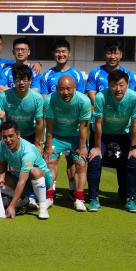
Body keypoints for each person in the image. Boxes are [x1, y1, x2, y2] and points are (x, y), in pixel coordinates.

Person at [86, 69, 136, 212]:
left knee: (134, 160)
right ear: (108, 85)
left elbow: (135, 124)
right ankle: (93, 198)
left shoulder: (135, 98)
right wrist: (97, 147)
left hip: (124, 135)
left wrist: (134, 147)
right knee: (94, 160)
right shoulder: (101, 97)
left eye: (121, 85)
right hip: (103, 135)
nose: (118, 89)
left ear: (127, 84)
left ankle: (130, 199)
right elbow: (98, 123)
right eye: (113, 85)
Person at [43, 74, 92, 212]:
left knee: (80, 163)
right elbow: (49, 126)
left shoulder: (84, 101)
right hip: (57, 136)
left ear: (75, 88)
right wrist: (48, 146)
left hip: (76, 137)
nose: (65, 92)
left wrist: (82, 147)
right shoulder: (49, 100)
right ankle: (49, 196)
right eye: (62, 89)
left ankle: (79, 199)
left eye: (69, 89)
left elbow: (84, 127)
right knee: (49, 161)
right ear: (57, 88)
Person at [0, 121, 53, 220]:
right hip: (22, 178)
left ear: (18, 135)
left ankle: (43, 207)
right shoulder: (2, 145)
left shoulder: (28, 151)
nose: (8, 140)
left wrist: (12, 206)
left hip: (42, 180)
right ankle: (24, 199)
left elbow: (22, 181)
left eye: (11, 136)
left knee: (34, 172)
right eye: (5, 137)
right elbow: (2, 163)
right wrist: (1, 177)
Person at [0, 64, 44, 145]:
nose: (21, 83)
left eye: (25, 80)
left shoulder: (38, 98)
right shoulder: (3, 96)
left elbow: (39, 122)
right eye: (18, 79)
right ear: (14, 80)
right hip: (9, 137)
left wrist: (37, 144)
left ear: (30, 81)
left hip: (29, 135)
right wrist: (3, 142)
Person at [86, 40, 136, 105]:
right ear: (104, 55)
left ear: (121, 55)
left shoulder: (128, 74)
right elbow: (92, 96)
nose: (112, 57)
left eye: (116, 53)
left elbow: (131, 96)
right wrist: (101, 109)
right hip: (102, 110)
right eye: (109, 53)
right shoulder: (94, 73)